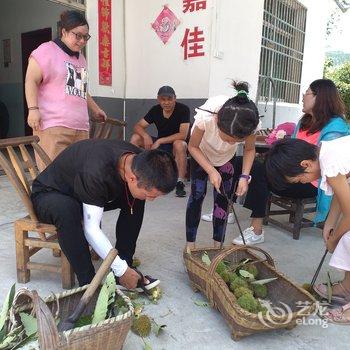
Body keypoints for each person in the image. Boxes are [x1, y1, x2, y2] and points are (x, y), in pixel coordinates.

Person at [31, 139, 178, 289]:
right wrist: (120, 268)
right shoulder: (96, 171)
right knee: (67, 210)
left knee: (135, 199)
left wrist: (122, 267)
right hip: (50, 194)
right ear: (132, 178)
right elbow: (91, 229)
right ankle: (89, 285)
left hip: (82, 191)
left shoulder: (140, 161)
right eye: (150, 195)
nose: (151, 200)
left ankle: (124, 268)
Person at [231, 79, 349, 245]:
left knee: (259, 172)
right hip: (308, 173)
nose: (302, 97)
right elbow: (340, 195)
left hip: (314, 182)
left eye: (306, 93)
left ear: (319, 97)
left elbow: (347, 208)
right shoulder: (305, 123)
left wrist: (334, 240)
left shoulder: (332, 145)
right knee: (248, 165)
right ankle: (232, 209)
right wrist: (330, 226)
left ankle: (256, 229)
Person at [265, 136, 350, 324]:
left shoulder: (330, 161)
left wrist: (334, 239)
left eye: (299, 179)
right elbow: (343, 190)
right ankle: (347, 287)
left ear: (305, 164)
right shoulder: (325, 154)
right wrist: (331, 223)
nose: (302, 183)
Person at [185, 81, 266, 249]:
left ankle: (217, 246)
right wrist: (210, 170)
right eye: (228, 138)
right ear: (217, 121)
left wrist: (244, 176)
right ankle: (190, 245)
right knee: (197, 195)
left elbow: (250, 150)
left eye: (236, 141)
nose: (230, 142)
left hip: (225, 160)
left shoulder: (249, 123)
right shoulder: (207, 117)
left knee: (223, 200)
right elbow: (192, 146)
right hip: (201, 153)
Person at [25, 10, 107, 171]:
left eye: (86, 37)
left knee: (77, 175)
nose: (82, 41)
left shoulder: (80, 58)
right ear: (64, 31)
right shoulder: (45, 51)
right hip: (54, 126)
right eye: (78, 35)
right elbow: (31, 81)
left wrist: (95, 109)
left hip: (80, 128)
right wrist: (33, 109)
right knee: (52, 175)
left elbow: (80, 88)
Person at [130, 86, 190, 197]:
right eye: (163, 99)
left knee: (180, 144)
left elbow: (183, 135)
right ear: (158, 99)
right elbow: (138, 126)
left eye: (169, 99)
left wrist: (160, 140)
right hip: (161, 144)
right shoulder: (155, 110)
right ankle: (133, 174)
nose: (166, 102)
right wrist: (146, 135)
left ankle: (180, 182)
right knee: (135, 138)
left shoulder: (183, 109)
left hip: (174, 144)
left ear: (175, 98)